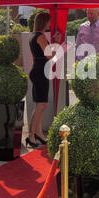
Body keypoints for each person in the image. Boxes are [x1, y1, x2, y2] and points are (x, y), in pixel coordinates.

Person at [27, 12, 61, 148]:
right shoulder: (40, 36)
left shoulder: (35, 36)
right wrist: (57, 42)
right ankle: (31, 135)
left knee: (40, 104)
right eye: (48, 22)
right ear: (43, 22)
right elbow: (49, 55)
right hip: (40, 72)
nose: (49, 24)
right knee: (42, 105)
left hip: (39, 71)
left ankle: (39, 134)